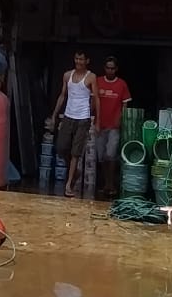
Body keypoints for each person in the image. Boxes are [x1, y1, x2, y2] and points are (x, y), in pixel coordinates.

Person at [48, 49, 98, 198]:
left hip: (82, 118)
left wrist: (91, 115)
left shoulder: (91, 77)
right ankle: (75, 171)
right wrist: (54, 115)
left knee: (76, 152)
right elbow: (63, 95)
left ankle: (69, 184)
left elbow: (95, 98)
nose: (78, 62)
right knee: (61, 147)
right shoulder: (67, 75)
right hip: (68, 116)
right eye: (76, 59)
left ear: (87, 61)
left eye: (81, 59)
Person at [94, 56, 132, 199]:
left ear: (116, 69)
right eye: (107, 68)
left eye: (112, 68)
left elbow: (125, 104)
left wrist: (120, 119)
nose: (110, 70)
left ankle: (111, 184)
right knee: (101, 157)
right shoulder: (97, 82)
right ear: (105, 68)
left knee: (111, 155)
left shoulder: (121, 84)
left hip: (114, 126)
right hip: (99, 125)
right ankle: (107, 184)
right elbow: (93, 102)